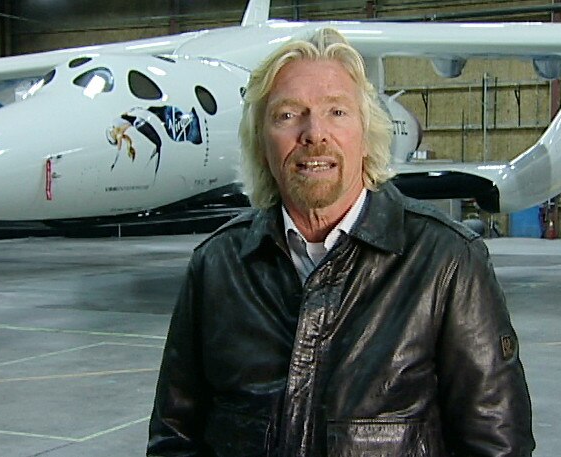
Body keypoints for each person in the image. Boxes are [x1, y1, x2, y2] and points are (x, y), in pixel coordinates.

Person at [147, 28, 535, 457]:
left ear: (366, 135)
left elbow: (498, 445)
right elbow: (174, 438)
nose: (314, 133)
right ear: (261, 141)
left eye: (336, 112)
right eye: (288, 115)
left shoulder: (446, 262)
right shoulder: (217, 265)